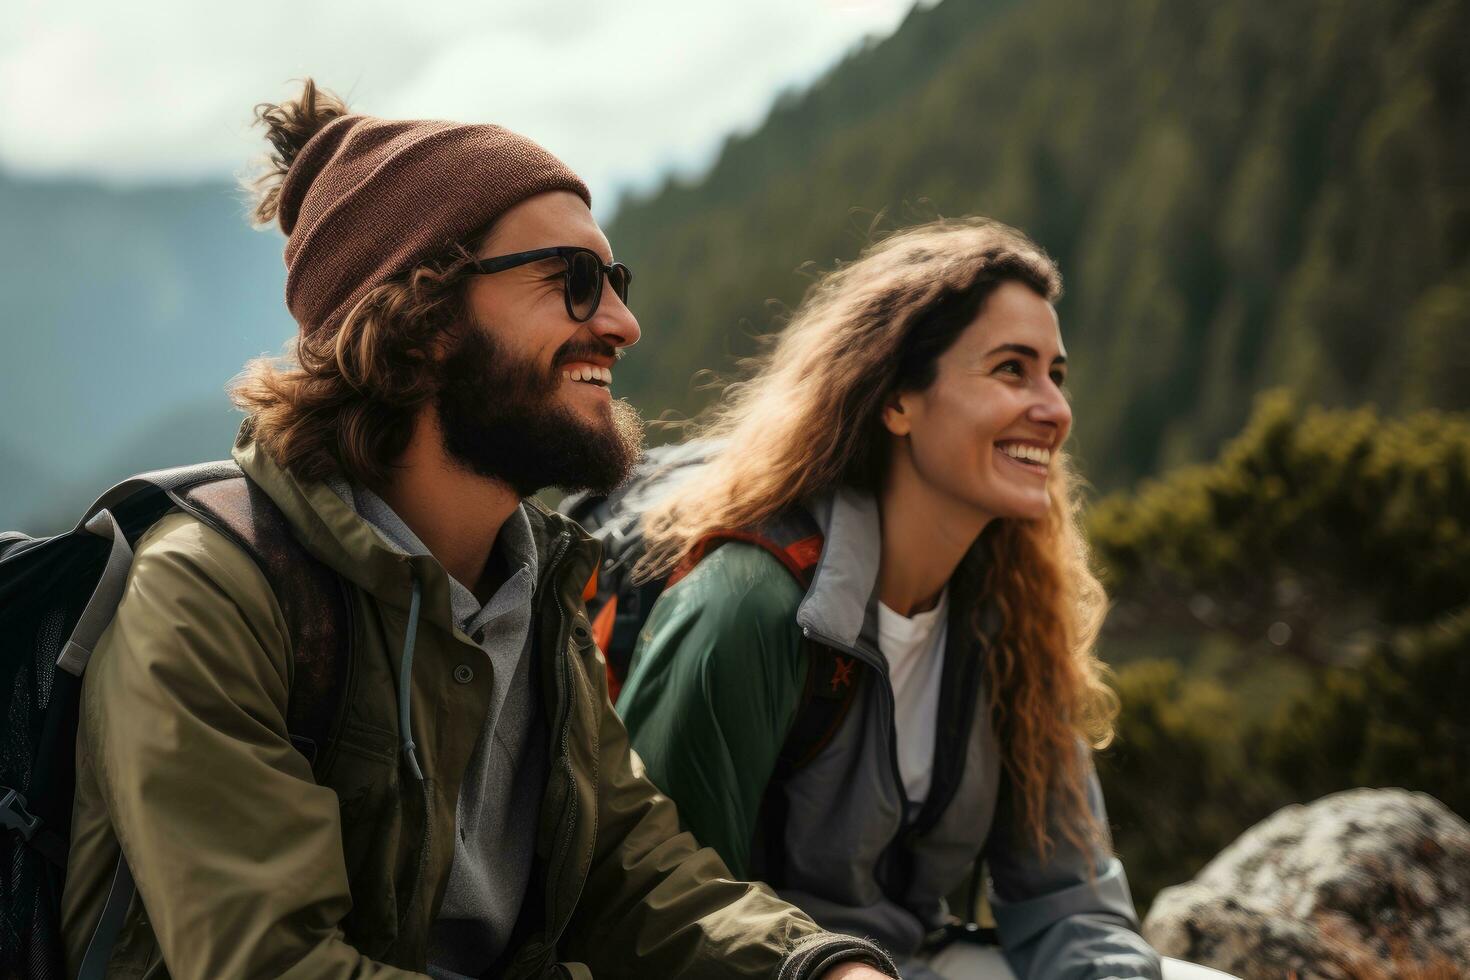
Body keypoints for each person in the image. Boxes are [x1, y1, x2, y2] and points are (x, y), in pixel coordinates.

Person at [58, 79, 897, 980]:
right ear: (420, 321)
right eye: (573, 282)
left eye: (615, 281)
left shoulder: (531, 591)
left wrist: (819, 967)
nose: (622, 322)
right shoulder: (211, 595)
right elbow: (272, 962)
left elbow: (634, 868)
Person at [616, 219, 1234, 979]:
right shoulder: (748, 607)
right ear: (898, 400)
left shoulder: (1013, 616)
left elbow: (1068, 898)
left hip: (917, 961)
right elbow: (655, 913)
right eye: (1012, 369)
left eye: (1056, 375)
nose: (1054, 409)